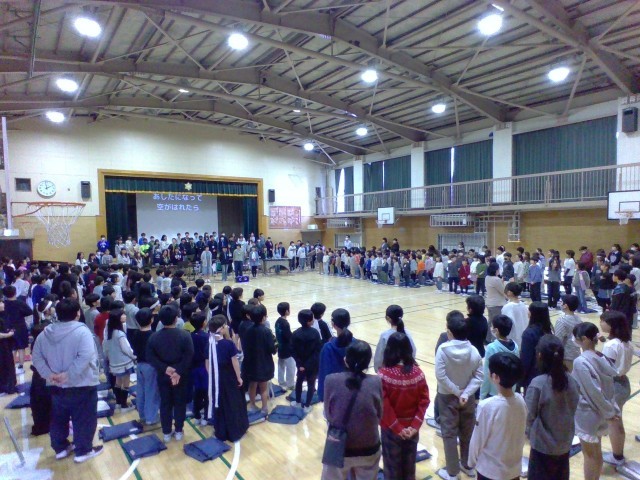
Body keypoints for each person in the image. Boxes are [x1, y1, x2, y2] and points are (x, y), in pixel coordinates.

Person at [31, 298, 103, 463]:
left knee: (58, 418)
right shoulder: (82, 332)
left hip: (55, 384)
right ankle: (83, 451)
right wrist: (68, 375)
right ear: (77, 313)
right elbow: (85, 356)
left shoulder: (44, 334)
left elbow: (36, 358)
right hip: (81, 384)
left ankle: (61, 448)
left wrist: (49, 375)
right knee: (84, 418)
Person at [321, 341, 382, 480]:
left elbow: (329, 415)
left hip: (339, 447)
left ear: (345, 360)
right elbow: (379, 416)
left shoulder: (330, 380)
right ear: (368, 363)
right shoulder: (376, 382)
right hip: (369, 446)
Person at [435, 311, 483, 480]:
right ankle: (468, 465)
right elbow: (479, 376)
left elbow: (440, 376)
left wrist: (457, 392)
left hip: (447, 396)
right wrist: (466, 393)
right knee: (467, 431)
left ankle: (452, 472)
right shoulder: (474, 351)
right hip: (467, 398)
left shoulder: (442, 350)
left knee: (449, 434)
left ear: (449, 332)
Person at [525, 335, 580, 480]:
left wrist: (530, 433)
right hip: (565, 443)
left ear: (539, 356)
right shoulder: (572, 380)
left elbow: (528, 416)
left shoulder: (538, 383)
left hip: (542, 446)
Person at [379, 332, 430, 480]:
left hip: (391, 430)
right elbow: (424, 400)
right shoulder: (418, 373)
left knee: (392, 468)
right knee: (409, 466)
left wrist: (397, 428)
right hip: (412, 430)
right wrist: (414, 426)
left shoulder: (383, 375)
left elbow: (384, 405)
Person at [468, 352, 527, 480]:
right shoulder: (521, 401)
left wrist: (471, 462)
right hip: (514, 470)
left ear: (495, 377)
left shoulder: (487, 406)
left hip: (490, 471)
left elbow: (477, 440)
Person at [572, 322, 619, 480]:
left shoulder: (581, 362)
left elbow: (593, 391)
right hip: (602, 412)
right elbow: (608, 389)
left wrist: (609, 413)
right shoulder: (601, 356)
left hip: (589, 413)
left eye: (576, 338)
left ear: (584, 339)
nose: (575, 341)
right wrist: (611, 410)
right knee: (596, 452)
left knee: (590, 455)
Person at [147, 305, 194, 443]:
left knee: (165, 403)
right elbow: (189, 355)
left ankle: (166, 432)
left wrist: (165, 368)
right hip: (181, 375)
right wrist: (178, 371)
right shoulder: (185, 335)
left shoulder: (154, 337)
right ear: (176, 319)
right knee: (179, 403)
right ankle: (179, 430)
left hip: (163, 375)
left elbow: (150, 357)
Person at [599, 310, 634, 467]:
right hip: (624, 383)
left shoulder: (611, 345)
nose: (600, 323)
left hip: (613, 385)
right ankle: (617, 454)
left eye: (603, 321)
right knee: (617, 421)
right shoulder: (626, 342)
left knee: (614, 423)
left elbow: (606, 369)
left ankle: (617, 456)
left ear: (611, 325)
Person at [207, 314, 248, 442]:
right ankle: (235, 431)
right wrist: (239, 378)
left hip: (215, 378)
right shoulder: (228, 344)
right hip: (229, 378)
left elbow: (207, 364)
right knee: (232, 403)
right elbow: (235, 363)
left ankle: (221, 430)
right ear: (222, 328)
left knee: (219, 403)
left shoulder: (209, 343)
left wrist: (212, 377)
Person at [241, 304, 276, 414]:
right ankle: (264, 408)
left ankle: (252, 405)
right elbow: (272, 349)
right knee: (263, 388)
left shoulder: (248, 330)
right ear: (264, 317)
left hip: (250, 362)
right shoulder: (266, 331)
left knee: (252, 384)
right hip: (263, 363)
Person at [130, 308, 160, 426]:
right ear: (151, 320)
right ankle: (151, 418)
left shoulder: (135, 334)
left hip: (139, 365)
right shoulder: (153, 336)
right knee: (151, 392)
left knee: (141, 390)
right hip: (150, 366)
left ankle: (142, 415)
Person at [103, 308, 136, 411]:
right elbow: (126, 349)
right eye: (123, 315)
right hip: (124, 362)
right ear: (118, 318)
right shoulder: (120, 334)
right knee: (125, 383)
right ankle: (124, 405)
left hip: (114, 362)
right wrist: (134, 356)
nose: (125, 316)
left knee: (118, 382)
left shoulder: (109, 332)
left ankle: (118, 403)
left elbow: (105, 348)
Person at [318, 308, 354, 401]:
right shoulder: (357, 344)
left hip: (335, 391)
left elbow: (324, 372)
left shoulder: (328, 347)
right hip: (353, 389)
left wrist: (322, 395)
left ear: (333, 324)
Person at [291, 309, 322, 412]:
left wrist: (300, 364)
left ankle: (297, 402)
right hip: (312, 365)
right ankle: (307, 406)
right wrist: (308, 364)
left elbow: (293, 351)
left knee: (299, 381)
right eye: (312, 319)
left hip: (300, 365)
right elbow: (318, 350)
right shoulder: (315, 333)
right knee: (311, 384)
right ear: (309, 321)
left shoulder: (295, 333)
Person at [480, 315, 519, 399]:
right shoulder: (515, 346)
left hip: (494, 391)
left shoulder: (491, 348)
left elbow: (487, 373)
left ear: (496, 330)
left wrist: (482, 395)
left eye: (492, 326)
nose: (491, 328)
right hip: (510, 390)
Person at [521, 302, 553, 391]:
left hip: (533, 375)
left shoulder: (529, 333)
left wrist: (521, 379)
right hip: (547, 372)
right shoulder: (549, 330)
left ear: (532, 313)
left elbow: (526, 358)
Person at [374, 305, 416, 372]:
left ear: (388, 318)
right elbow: (413, 350)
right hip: (406, 370)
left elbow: (379, 356)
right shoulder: (408, 333)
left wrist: (378, 370)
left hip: (389, 371)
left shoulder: (385, 335)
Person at [3, 285, 32, 373]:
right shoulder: (20, 303)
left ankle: (11, 367)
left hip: (7, 328)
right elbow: (29, 311)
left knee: (12, 348)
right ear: (15, 293)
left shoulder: (3, 304)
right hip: (20, 327)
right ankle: (21, 367)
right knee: (21, 347)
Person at [553, 294, 582, 372]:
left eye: (561, 302)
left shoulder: (562, 321)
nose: (560, 303)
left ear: (565, 305)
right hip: (576, 352)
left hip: (566, 355)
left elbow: (558, 340)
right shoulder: (578, 319)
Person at [190, 313, 209, 426]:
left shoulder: (189, 336)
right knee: (207, 393)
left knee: (197, 392)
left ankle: (197, 415)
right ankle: (206, 417)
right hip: (204, 367)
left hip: (194, 367)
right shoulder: (206, 337)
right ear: (203, 323)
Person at [275, 302, 296, 390]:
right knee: (291, 367)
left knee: (281, 365)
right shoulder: (285, 323)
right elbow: (288, 336)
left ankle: (281, 382)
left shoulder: (278, 321)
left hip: (280, 347)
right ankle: (290, 384)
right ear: (287, 311)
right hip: (287, 348)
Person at [501, 282, 528, 349]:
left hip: (513, 338)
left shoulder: (508, 307)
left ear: (509, 292)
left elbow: (505, 324)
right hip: (523, 336)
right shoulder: (523, 304)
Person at [0, 298, 17, 395]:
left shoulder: (5, 314)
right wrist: (8, 334)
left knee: (8, 364)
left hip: (6, 345)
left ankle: (10, 385)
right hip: (2, 345)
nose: (2, 304)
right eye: (0, 302)